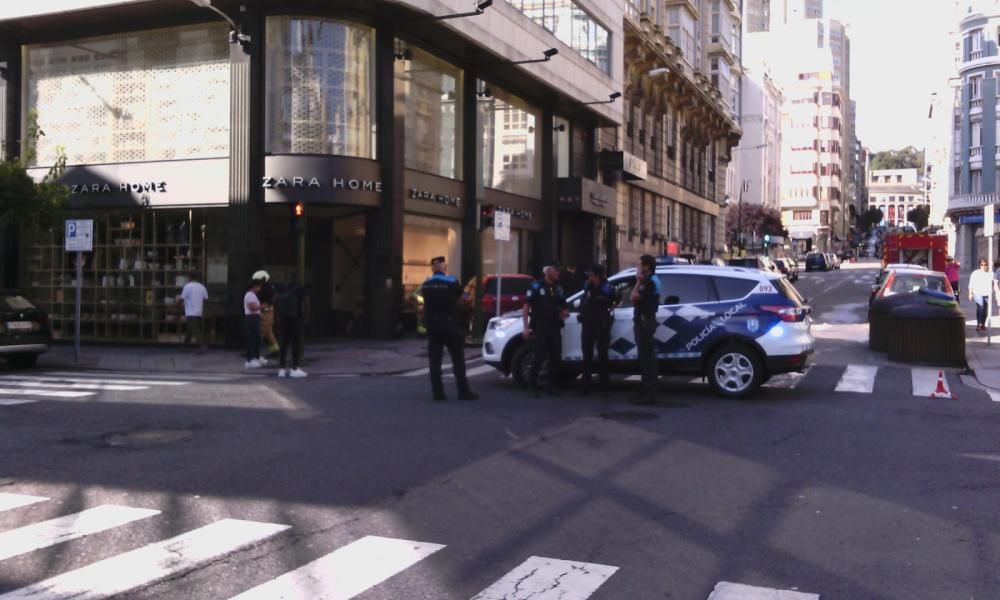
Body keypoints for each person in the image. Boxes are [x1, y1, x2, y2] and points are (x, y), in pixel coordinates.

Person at [421, 257, 478, 401]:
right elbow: (462, 299)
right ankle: (463, 391)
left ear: (433, 269)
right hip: (450, 325)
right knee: (458, 359)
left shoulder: (426, 284)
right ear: (444, 267)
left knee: (435, 361)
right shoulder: (452, 281)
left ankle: (437, 393)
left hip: (433, 325)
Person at [523, 265, 568, 397]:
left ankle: (551, 385)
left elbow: (564, 306)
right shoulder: (536, 286)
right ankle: (532, 385)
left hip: (554, 325)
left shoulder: (558, 288)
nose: (558, 273)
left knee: (556, 356)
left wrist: (564, 312)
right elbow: (526, 306)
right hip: (539, 326)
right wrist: (525, 327)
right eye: (556, 270)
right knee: (539, 356)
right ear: (548, 272)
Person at [579, 264, 616, 396]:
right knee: (586, 356)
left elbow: (616, 301)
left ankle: (604, 388)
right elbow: (584, 301)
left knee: (602, 356)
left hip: (601, 324)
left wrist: (609, 309)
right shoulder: (587, 286)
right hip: (587, 323)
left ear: (597, 275)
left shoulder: (607, 288)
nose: (589, 277)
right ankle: (585, 387)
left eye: (591, 274)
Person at [630, 254, 661, 404]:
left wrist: (637, 281)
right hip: (647, 320)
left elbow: (633, 298)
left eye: (640, 264)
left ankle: (649, 392)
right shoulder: (654, 280)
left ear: (647, 266)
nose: (639, 267)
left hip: (644, 321)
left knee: (646, 357)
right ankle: (647, 389)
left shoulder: (648, 282)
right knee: (647, 356)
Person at [275, 273, 309, 378]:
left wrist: (278, 319)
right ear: (300, 278)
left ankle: (281, 369)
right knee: (296, 343)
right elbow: (307, 304)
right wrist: (305, 318)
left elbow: (276, 302)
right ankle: (295, 368)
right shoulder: (302, 290)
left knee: (284, 343)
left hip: (284, 319)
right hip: (297, 318)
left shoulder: (284, 289)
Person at [177, 273, 208, 353]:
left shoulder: (188, 286)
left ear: (190, 278)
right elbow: (205, 299)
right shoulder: (202, 287)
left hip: (190, 312)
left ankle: (202, 345)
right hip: (199, 312)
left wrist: (177, 305)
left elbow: (182, 298)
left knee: (194, 329)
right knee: (190, 330)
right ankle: (185, 346)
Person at [254, 270, 280, 358]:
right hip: (268, 311)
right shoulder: (269, 287)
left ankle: (254, 352)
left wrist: (259, 308)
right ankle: (275, 350)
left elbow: (268, 301)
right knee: (268, 333)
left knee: (260, 331)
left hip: (265, 311)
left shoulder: (267, 288)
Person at [969, 258, 993, 332]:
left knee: (985, 311)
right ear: (979, 265)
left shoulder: (991, 273)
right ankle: (978, 324)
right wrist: (970, 293)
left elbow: (994, 283)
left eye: (985, 265)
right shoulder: (975, 273)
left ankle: (983, 324)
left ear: (987, 265)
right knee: (980, 308)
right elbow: (971, 284)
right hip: (977, 293)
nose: (983, 266)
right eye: (982, 265)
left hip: (987, 294)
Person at [244, 279, 263, 368]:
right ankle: (250, 359)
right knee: (252, 338)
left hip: (254, 317)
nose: (259, 288)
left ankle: (254, 357)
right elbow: (252, 308)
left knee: (256, 337)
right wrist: (262, 306)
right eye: (259, 286)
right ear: (254, 286)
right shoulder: (250, 295)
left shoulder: (252, 295)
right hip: (252, 318)